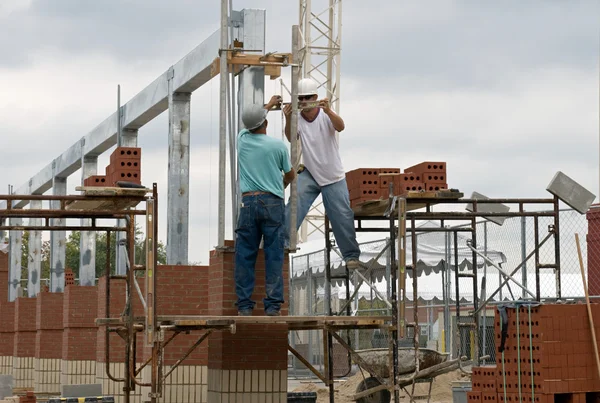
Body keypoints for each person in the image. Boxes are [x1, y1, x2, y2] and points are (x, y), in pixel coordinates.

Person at [282, 78, 361, 269]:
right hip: (310, 172)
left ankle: (351, 255)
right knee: (295, 203)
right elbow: (292, 138)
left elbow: (341, 126)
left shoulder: (325, 115)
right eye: (301, 99)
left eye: (308, 98)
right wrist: (288, 119)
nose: (304, 103)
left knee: (341, 214)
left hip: (333, 175)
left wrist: (328, 110)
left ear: (316, 98)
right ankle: (282, 243)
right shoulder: (298, 118)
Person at [235, 96, 296, 316]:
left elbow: (249, 124)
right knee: (274, 254)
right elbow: (290, 174)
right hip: (273, 202)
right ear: (266, 124)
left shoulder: (241, 140)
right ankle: (272, 306)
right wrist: (283, 183)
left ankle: (244, 305)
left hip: (248, 202)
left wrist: (267, 106)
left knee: (244, 254)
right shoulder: (278, 146)